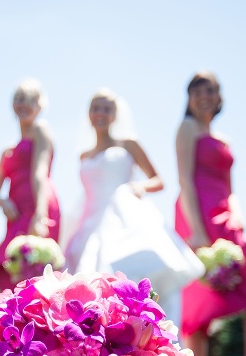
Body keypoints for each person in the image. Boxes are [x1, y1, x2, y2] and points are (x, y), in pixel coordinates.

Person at [64, 88, 203, 329]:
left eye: (106, 108)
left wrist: (139, 187)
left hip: (124, 213)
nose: (100, 113)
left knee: (130, 269)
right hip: (90, 218)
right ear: (88, 113)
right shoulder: (83, 155)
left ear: (115, 114)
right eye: (96, 107)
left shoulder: (129, 144)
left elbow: (158, 180)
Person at [175, 72, 246, 356]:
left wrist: (237, 211)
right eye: (197, 89)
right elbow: (185, 181)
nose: (204, 95)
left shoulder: (225, 139)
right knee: (199, 300)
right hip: (196, 215)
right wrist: (196, 229)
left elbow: (231, 188)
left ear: (219, 98)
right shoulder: (186, 129)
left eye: (211, 90)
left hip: (226, 219)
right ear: (189, 98)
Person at [0, 79, 61, 292]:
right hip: (16, 215)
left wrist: (40, 215)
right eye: (19, 99)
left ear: (39, 106)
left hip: (38, 205)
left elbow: (39, 172)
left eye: (30, 100)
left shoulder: (40, 129)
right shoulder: (7, 151)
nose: (23, 104)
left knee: (34, 270)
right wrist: (3, 201)